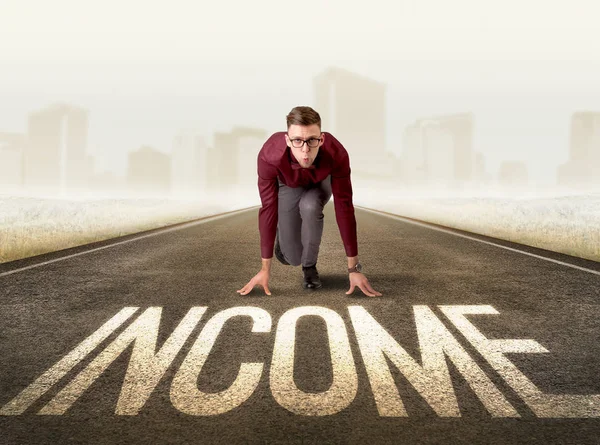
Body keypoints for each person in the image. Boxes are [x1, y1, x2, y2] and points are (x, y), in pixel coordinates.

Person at [237, 106, 382, 297]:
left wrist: (353, 270)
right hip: (288, 184)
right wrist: (265, 269)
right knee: (292, 257)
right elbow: (268, 209)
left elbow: (344, 207)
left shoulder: (337, 154)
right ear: (287, 140)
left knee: (310, 205)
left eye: (312, 140)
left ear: (321, 139)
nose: (305, 150)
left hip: (320, 183)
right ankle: (286, 240)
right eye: (297, 140)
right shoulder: (269, 156)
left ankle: (309, 268)